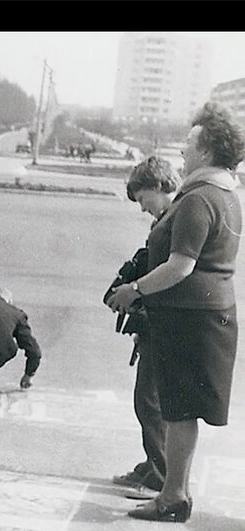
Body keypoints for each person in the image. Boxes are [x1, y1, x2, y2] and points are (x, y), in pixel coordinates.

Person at [107, 102, 245, 523]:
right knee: (181, 411)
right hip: (206, 316)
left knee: (181, 412)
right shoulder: (223, 193)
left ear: (206, 150)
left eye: (188, 143)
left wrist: (134, 290)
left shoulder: (199, 199)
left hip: (193, 319)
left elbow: (181, 265)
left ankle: (173, 498)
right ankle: (173, 492)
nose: (183, 152)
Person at [104, 156, 180, 501]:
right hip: (157, 321)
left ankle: (161, 476)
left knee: (150, 401)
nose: (142, 208)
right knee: (149, 399)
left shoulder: (175, 218)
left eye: (143, 199)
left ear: (160, 186)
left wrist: (135, 292)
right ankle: (155, 464)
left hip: (167, 323)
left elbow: (171, 271)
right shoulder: (167, 218)